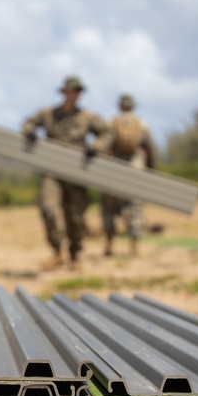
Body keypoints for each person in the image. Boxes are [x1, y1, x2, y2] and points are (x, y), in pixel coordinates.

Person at [22, 76, 110, 270]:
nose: (74, 95)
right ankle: (57, 252)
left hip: (77, 174)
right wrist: (29, 132)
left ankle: (75, 255)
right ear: (64, 93)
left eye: (77, 92)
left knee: (76, 217)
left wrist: (95, 147)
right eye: (71, 91)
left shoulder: (87, 117)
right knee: (49, 209)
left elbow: (107, 133)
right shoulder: (49, 114)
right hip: (52, 171)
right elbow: (28, 123)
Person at [98, 94, 158, 257]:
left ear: (119, 106)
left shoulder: (111, 123)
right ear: (133, 106)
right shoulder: (142, 125)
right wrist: (151, 171)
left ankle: (109, 246)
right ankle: (135, 247)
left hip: (114, 171)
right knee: (135, 208)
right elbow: (151, 149)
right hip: (135, 170)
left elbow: (103, 146)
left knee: (109, 208)